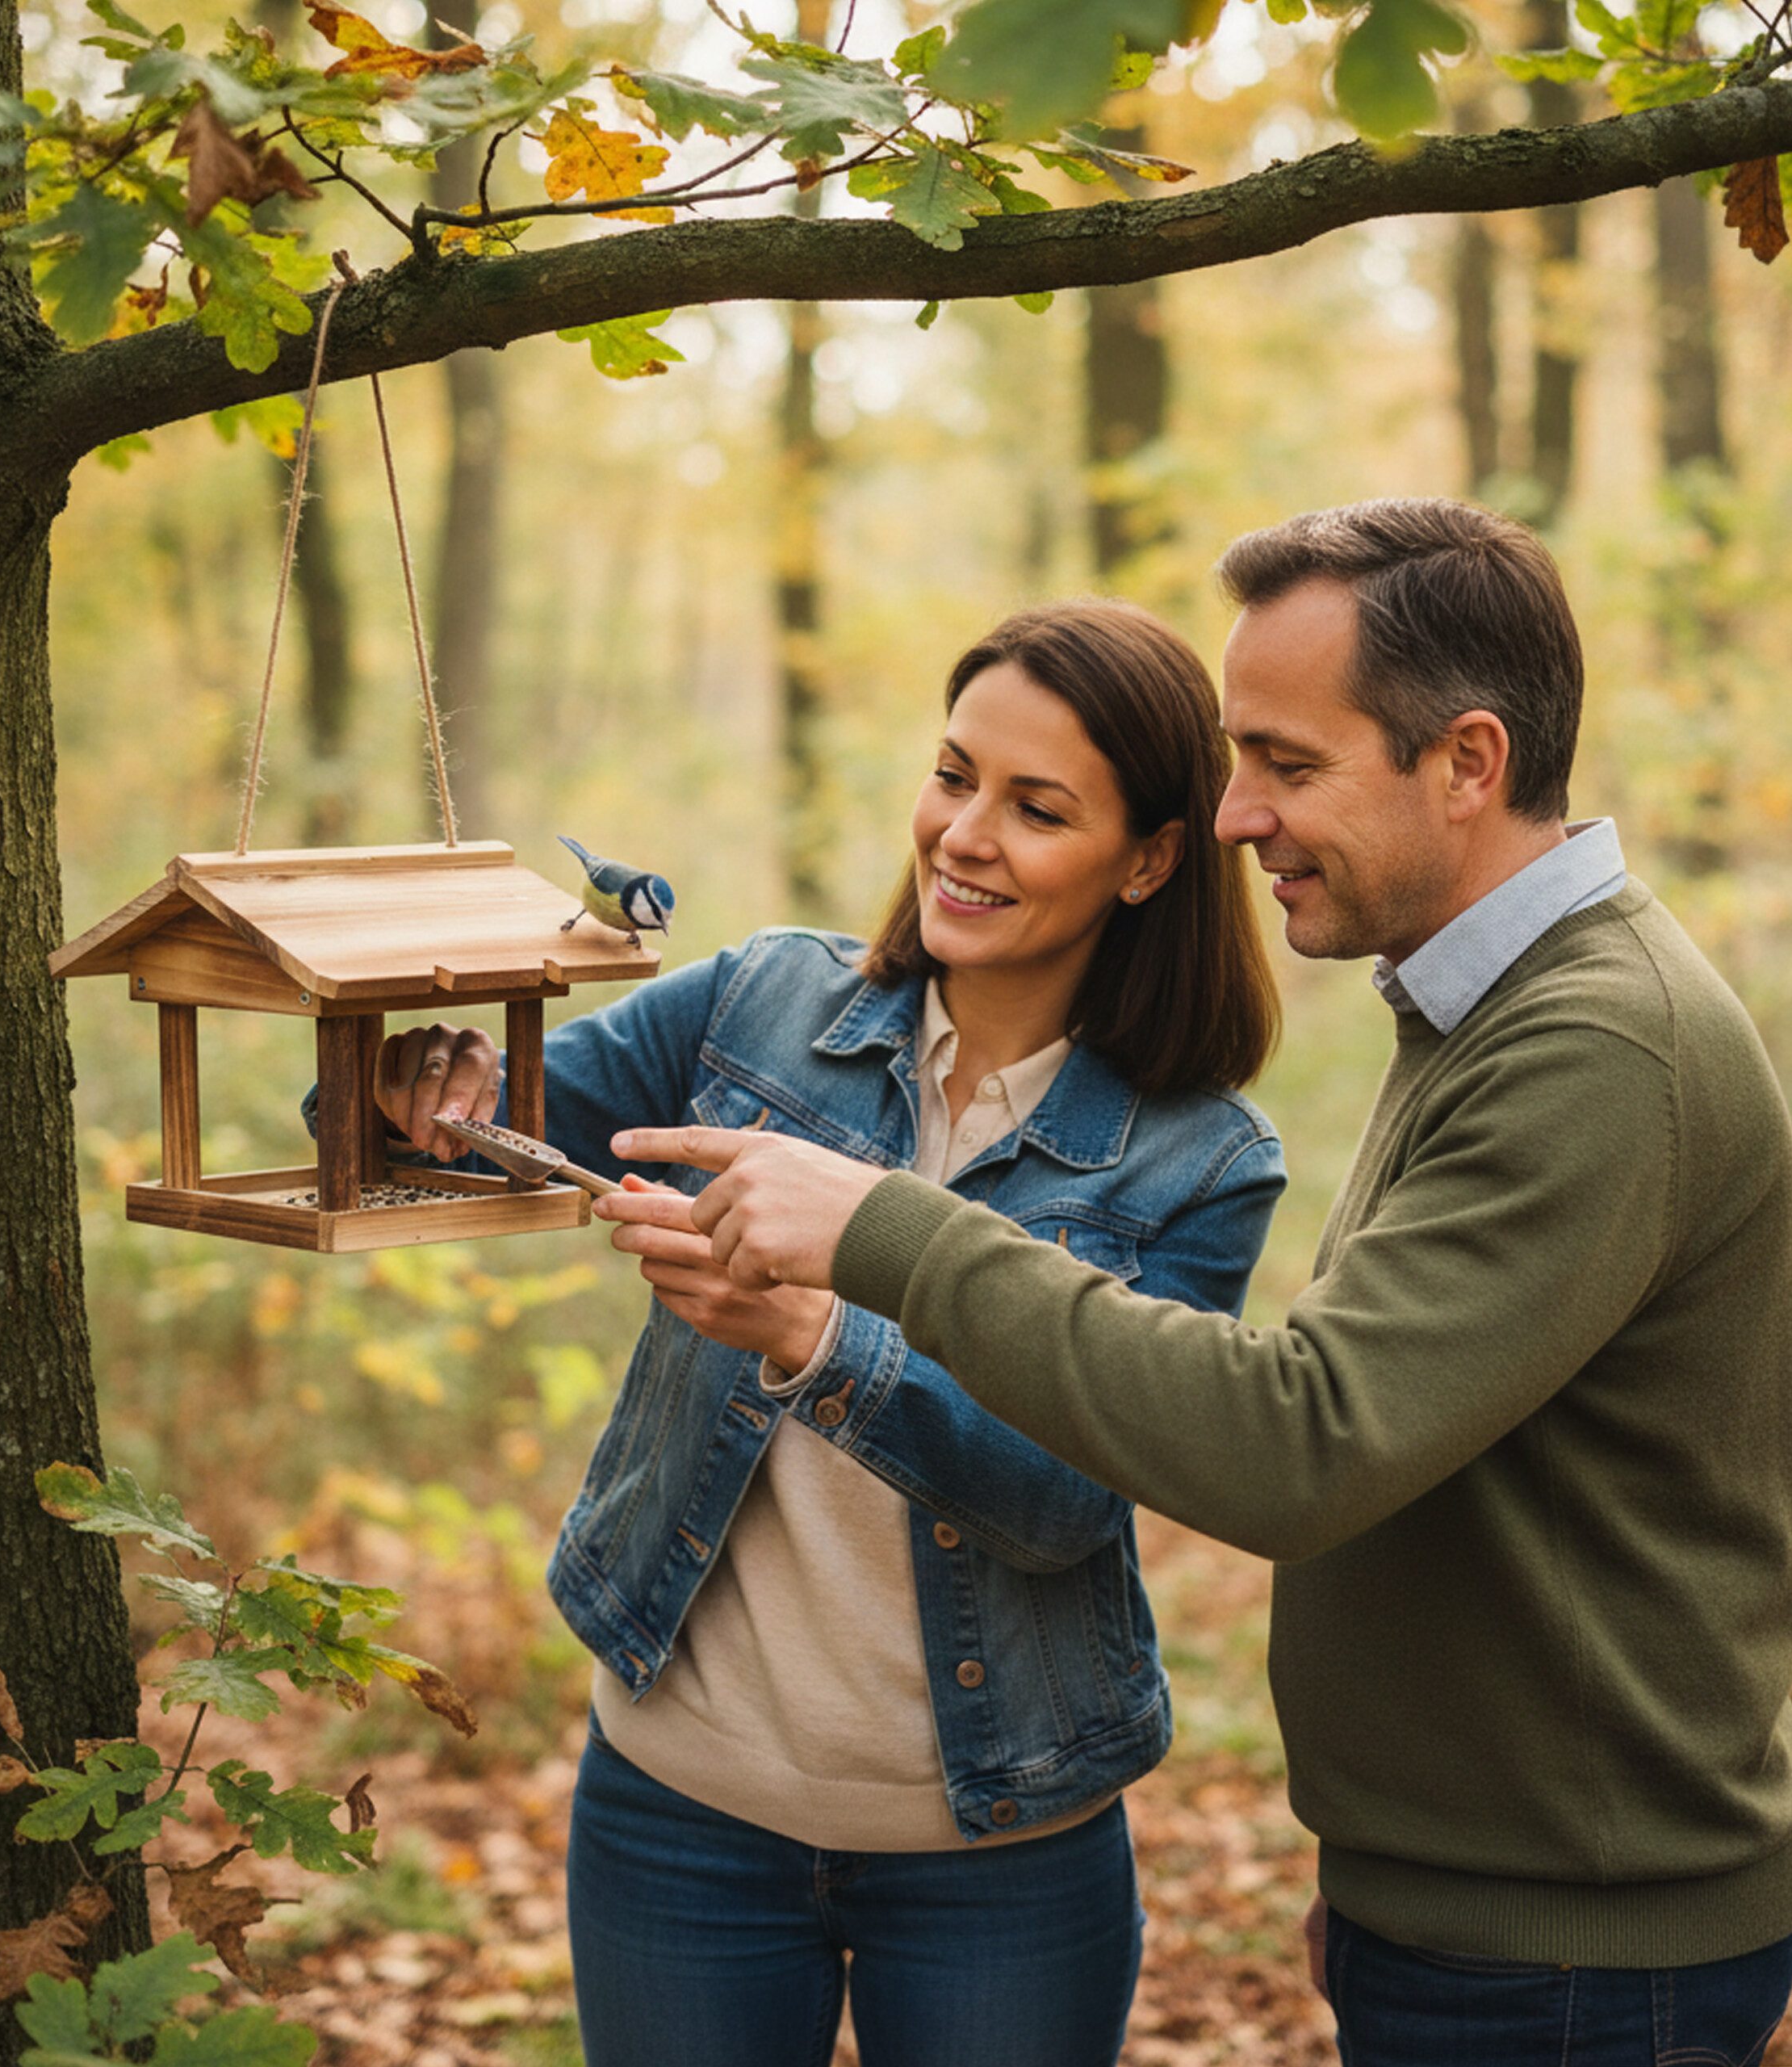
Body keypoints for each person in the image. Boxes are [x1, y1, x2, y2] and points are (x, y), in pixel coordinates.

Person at [612, 500, 1792, 2067]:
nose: (1239, 814)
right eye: (1240, 757)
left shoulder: (1591, 1045)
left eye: (1288, 764)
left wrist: (880, 1236)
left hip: (1572, 1944)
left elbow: (1297, 1443)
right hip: (1485, 1901)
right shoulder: (1489, 1009)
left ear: (1465, 761)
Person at [375, 600, 1286, 2067]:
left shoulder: (1196, 1161)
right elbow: (457, 1133)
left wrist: (816, 1337)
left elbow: (1065, 1501)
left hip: (1004, 1848)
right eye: (952, 774)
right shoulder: (764, 1004)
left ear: (1152, 858)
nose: (964, 834)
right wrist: (422, 1082)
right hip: (678, 1814)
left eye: (1036, 808)